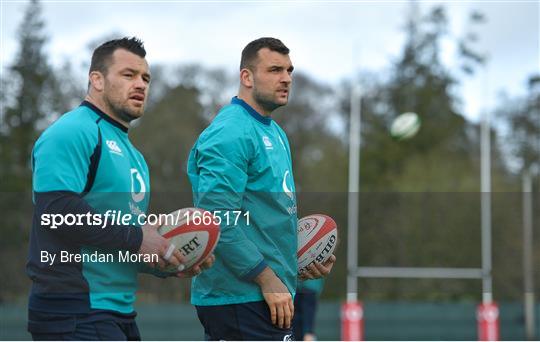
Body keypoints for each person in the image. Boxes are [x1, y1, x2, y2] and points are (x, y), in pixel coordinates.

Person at [27, 37, 213, 340]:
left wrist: (168, 257)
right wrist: (140, 238)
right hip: (74, 310)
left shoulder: (136, 157)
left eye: (145, 78)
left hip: (119, 314)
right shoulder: (72, 131)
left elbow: (118, 241)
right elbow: (56, 211)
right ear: (96, 80)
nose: (140, 84)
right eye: (128, 75)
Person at [187, 37, 336, 341]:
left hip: (270, 295)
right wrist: (267, 278)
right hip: (239, 298)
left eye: (289, 70)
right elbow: (217, 218)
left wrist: (300, 260)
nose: (286, 78)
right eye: (275, 70)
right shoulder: (230, 132)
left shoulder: (276, 132)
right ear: (247, 77)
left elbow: (266, 218)